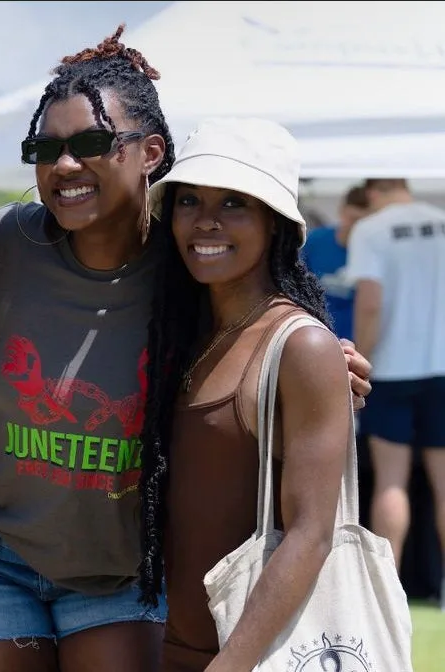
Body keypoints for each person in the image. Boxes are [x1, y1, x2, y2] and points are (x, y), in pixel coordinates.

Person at [0, 26, 373, 672]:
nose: (65, 165)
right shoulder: (4, 241)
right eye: (45, 148)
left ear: (150, 150)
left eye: (91, 144)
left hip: (124, 573)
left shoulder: (192, 261)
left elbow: (269, 329)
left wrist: (326, 360)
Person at [140, 117, 352, 671]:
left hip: (254, 657)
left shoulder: (301, 346)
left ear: (276, 225)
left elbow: (310, 536)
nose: (205, 221)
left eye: (235, 203)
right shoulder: (184, 335)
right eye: (189, 201)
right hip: (171, 648)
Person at [348, 178, 445, 579]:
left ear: (372, 192)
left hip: (389, 371)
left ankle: (388, 591)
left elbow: (370, 303)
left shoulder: (371, 229)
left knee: (391, 482)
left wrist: (360, 362)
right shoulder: (441, 221)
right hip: (441, 368)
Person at [300, 185, 369, 342]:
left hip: (357, 343)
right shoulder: (316, 241)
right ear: (342, 211)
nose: (357, 227)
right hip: (319, 337)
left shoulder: (374, 251)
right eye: (353, 219)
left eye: (364, 222)